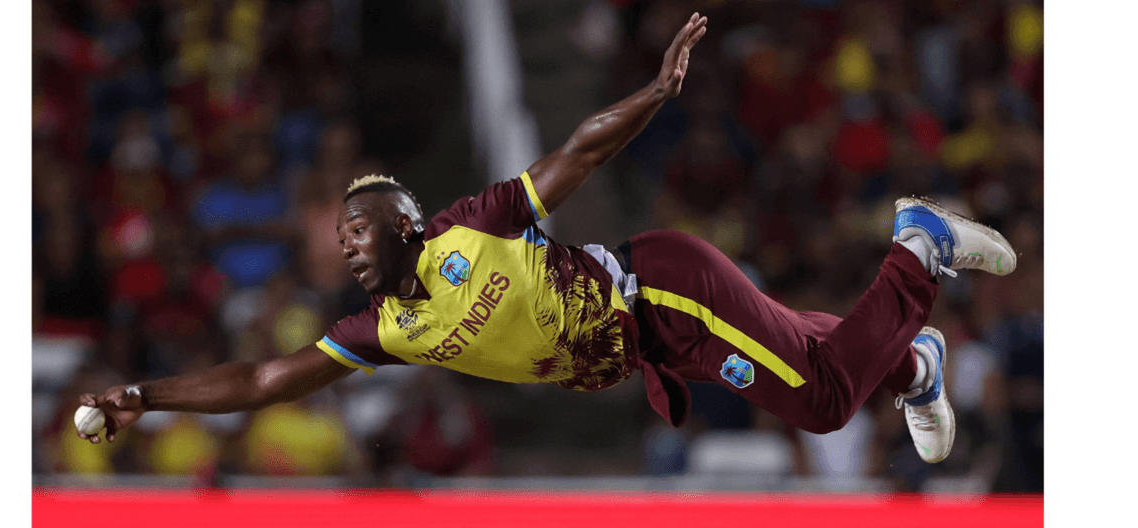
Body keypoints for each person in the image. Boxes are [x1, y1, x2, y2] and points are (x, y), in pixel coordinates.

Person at [76, 12, 1017, 465]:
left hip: (663, 289)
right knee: (817, 352)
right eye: (339, 235)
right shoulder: (386, 331)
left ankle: (915, 246)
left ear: (406, 224)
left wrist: (654, 93)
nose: (347, 245)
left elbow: (574, 154)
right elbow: (264, 379)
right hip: (654, 345)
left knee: (819, 400)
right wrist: (145, 396)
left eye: (359, 229)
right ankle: (915, 365)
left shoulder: (466, 230)